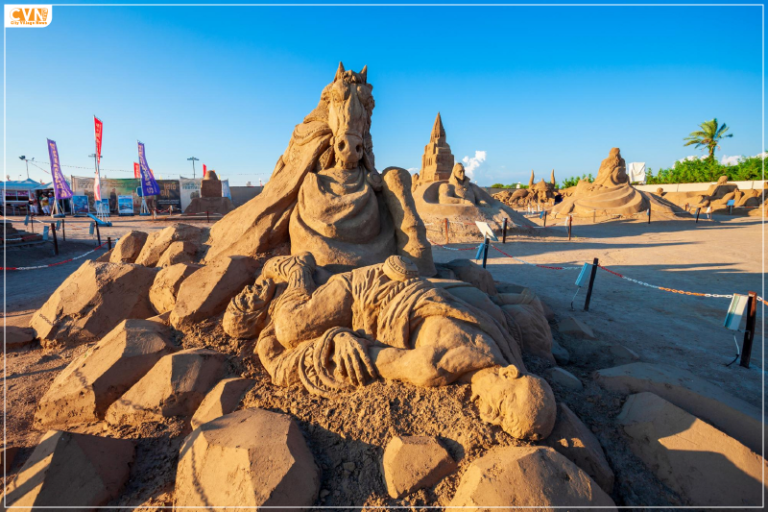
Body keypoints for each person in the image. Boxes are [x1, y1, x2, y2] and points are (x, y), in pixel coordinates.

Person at [226, 252, 556, 441]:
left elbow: (355, 354)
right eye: (503, 403)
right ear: (510, 374)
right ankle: (298, 270)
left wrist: (339, 339)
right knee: (288, 329)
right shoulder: (433, 366)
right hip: (367, 294)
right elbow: (360, 357)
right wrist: (337, 337)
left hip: (396, 295)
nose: (490, 412)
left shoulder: (499, 350)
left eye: (499, 416)